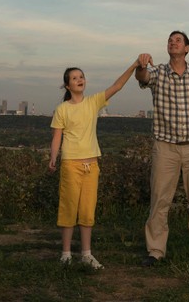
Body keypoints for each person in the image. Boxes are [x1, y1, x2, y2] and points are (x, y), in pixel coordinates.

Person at [135, 30, 189, 272]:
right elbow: (142, 78)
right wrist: (140, 65)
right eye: (170, 40)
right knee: (160, 200)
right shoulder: (159, 72)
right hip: (165, 148)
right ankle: (155, 251)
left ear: (187, 48)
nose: (173, 43)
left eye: (178, 40)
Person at [49, 59, 139, 269]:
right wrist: (53, 157)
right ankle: (66, 254)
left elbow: (117, 86)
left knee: (88, 210)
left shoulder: (93, 102)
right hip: (71, 164)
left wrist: (134, 65)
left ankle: (87, 254)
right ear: (67, 85)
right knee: (69, 208)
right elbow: (56, 138)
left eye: (81, 77)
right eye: (74, 78)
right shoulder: (62, 109)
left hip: (91, 165)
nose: (79, 80)